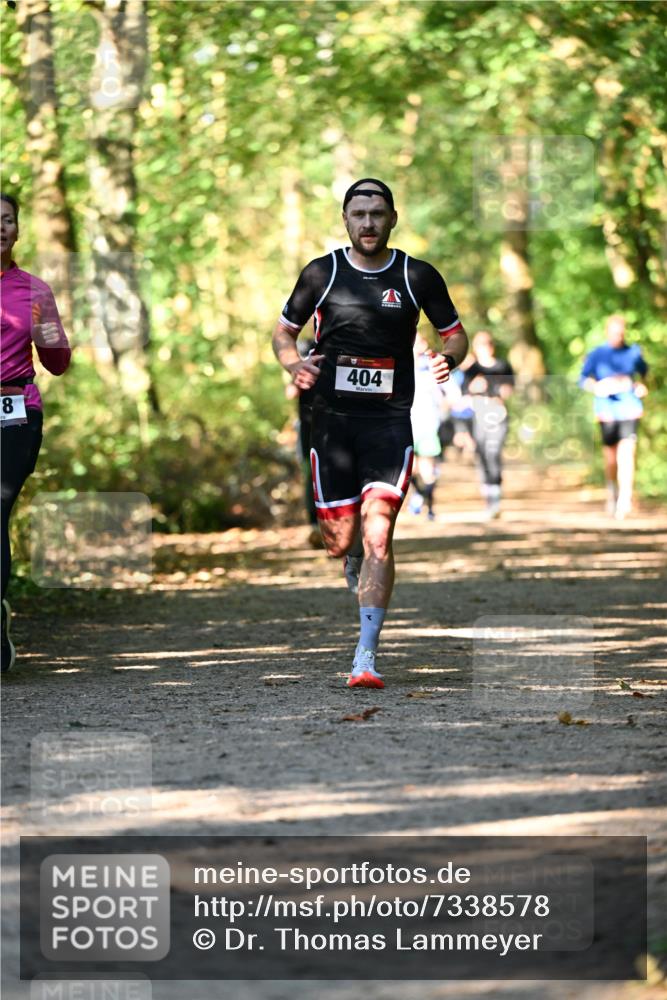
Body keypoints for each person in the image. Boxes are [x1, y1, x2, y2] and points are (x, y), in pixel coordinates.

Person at [272, 178, 468, 688]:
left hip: (389, 422)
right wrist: (293, 365)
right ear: (345, 220)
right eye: (358, 214)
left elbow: (455, 334)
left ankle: (365, 655)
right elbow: (284, 332)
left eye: (377, 214)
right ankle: (351, 554)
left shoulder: (416, 275)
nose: (368, 223)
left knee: (379, 531)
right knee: (343, 541)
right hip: (331, 425)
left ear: (392, 219)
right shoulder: (322, 273)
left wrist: (448, 359)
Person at [1, 192, 71, 672]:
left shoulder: (34, 291)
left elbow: (57, 361)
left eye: (6, 220)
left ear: (18, 230)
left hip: (15, 412)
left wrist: (47, 332)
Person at [579, 315, 648, 519]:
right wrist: (597, 387)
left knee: (627, 454)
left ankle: (625, 499)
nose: (618, 337)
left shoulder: (633, 352)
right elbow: (583, 379)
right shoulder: (597, 354)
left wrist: (641, 386)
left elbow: (644, 374)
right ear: (607, 332)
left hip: (629, 409)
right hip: (607, 411)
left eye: (621, 333)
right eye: (615, 333)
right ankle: (612, 492)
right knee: (611, 458)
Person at [461, 331, 514, 519]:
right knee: (482, 456)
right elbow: (463, 395)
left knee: (494, 453)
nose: (485, 348)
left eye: (488, 344)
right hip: (479, 416)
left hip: (498, 415)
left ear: (492, 346)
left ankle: (496, 499)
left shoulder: (503, 365)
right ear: (476, 348)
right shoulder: (471, 369)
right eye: (481, 345)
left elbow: (509, 389)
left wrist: (500, 389)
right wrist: (474, 387)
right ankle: (488, 499)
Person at [408, 332, 446, 521]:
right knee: (410, 469)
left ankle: (430, 508)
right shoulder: (401, 367)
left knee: (427, 469)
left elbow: (449, 394)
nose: (418, 347)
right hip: (406, 424)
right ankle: (421, 495)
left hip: (428, 424)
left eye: (421, 343)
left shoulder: (432, 368)